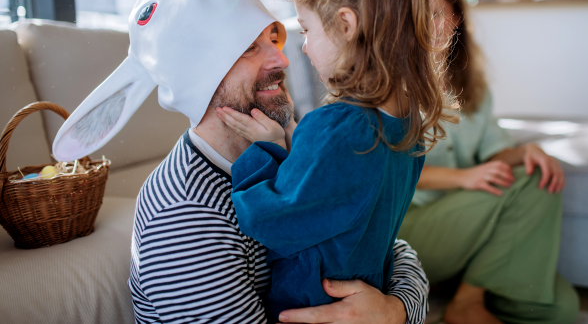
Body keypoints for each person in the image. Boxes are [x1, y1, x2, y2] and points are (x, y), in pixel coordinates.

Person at [216, 0, 457, 322]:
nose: (302, 47)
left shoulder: (336, 128)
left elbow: (269, 220)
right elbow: (340, 200)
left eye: (307, 29)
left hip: (315, 304)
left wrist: (267, 151)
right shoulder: (407, 125)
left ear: (346, 25)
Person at [129, 20, 431, 324]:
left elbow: (382, 244)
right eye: (249, 47)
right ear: (198, 73)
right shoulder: (185, 217)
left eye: (274, 41)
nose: (282, 58)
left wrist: (396, 311)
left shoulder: (298, 144)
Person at [398, 0, 579, 324]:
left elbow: (495, 152)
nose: (425, 25)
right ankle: (466, 303)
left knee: (562, 309)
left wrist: (529, 153)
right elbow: (393, 169)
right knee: (528, 184)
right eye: (416, 14)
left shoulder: (472, 87)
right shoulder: (393, 85)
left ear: (455, 21)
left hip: (471, 229)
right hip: (414, 230)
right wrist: (465, 177)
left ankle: (469, 287)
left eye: (435, 13)